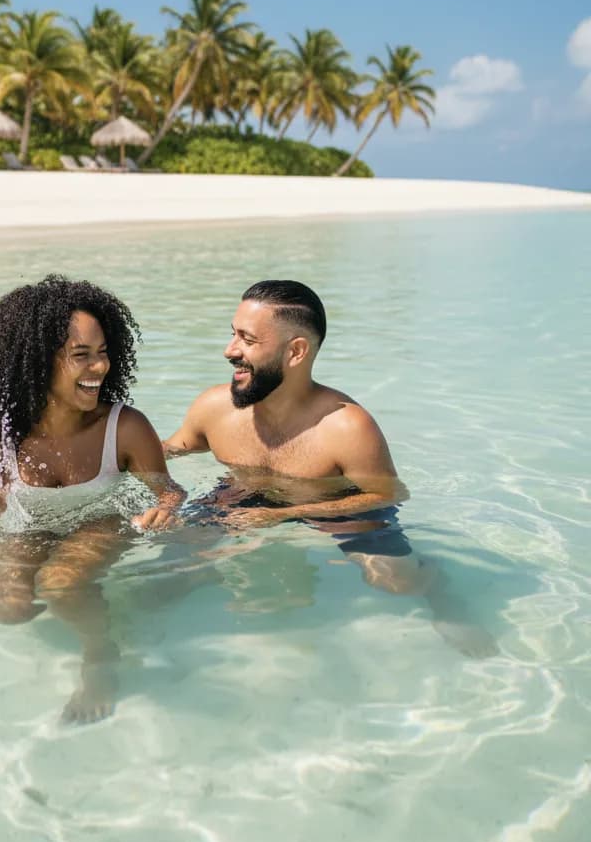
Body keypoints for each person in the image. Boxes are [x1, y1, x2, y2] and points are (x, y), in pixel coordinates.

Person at [133, 279, 496, 657]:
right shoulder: (214, 407)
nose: (230, 350)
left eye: (247, 339)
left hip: (333, 502)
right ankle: (188, 591)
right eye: (232, 335)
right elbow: (171, 448)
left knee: (395, 581)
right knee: (163, 576)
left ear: (296, 352)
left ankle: (442, 595)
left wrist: (291, 514)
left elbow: (388, 494)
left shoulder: (346, 427)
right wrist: (131, 469)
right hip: (242, 495)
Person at [0, 274, 180, 722]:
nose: (99, 368)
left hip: (101, 520)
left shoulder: (126, 427)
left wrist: (166, 508)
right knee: (11, 610)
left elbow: (169, 491)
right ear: (39, 361)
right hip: (31, 526)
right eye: (81, 356)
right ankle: (113, 605)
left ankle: (101, 656)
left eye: (103, 353)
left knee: (60, 585)